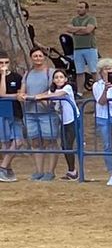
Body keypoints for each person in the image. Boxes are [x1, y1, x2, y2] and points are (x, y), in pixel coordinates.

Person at [20, 47, 59, 180]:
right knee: (35, 142)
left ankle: (50, 171)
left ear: (44, 57)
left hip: (46, 112)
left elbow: (52, 91)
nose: (37, 58)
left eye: (40, 56)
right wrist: (21, 95)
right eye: (35, 56)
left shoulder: (50, 73)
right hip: (30, 112)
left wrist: (37, 97)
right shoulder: (28, 74)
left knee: (51, 141)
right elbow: (22, 90)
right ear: (31, 58)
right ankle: (39, 171)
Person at [45, 68, 78, 180]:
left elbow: (58, 95)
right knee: (64, 145)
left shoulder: (67, 88)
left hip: (73, 119)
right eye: (56, 77)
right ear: (53, 80)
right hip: (63, 120)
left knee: (68, 145)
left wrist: (40, 96)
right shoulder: (51, 91)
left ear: (65, 79)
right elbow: (48, 97)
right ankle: (71, 170)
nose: (59, 79)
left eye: (61, 77)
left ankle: (73, 171)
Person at [63, 1, 99, 93]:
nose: (79, 9)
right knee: (79, 72)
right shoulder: (74, 19)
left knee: (94, 70)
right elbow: (68, 29)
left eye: (81, 7)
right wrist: (81, 28)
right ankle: (80, 92)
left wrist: (75, 30)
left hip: (90, 47)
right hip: (77, 48)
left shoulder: (91, 19)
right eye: (78, 7)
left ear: (86, 9)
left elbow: (88, 30)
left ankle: (100, 89)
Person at [0, 52, 19, 183]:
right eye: (1, 63)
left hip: (16, 112)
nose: (4, 65)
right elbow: (1, 93)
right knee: (5, 143)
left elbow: (21, 93)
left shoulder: (16, 77)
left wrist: (13, 96)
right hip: (2, 113)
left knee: (19, 141)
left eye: (6, 63)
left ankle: (3, 167)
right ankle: (7, 169)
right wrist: (2, 76)